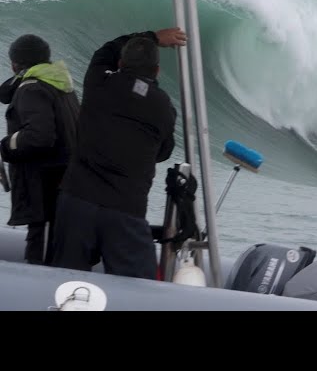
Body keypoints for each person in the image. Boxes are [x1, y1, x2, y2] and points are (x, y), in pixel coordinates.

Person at [52, 28, 185, 280]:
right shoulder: (163, 106)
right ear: (156, 71)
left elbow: (105, 50)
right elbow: (163, 152)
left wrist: (154, 36)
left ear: (121, 63)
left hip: (77, 200)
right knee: (138, 292)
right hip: (125, 210)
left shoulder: (98, 81)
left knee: (65, 283)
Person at [0, 34, 80, 265]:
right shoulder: (61, 84)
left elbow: (39, 137)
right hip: (65, 182)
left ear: (16, 63)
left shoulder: (32, 88)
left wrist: (5, 146)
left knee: (41, 252)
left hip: (44, 185)